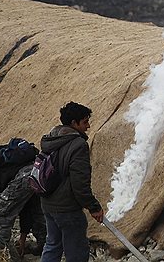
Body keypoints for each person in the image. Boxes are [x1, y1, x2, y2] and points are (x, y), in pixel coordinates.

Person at [39, 102, 103, 262]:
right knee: (76, 252)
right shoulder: (78, 145)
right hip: (67, 208)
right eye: (85, 122)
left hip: (48, 203)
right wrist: (93, 207)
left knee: (52, 245)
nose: (88, 126)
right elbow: (80, 183)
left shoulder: (52, 138)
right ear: (74, 123)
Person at [0, 162, 47, 260]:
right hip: (38, 171)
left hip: (26, 176)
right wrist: (22, 239)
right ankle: (44, 247)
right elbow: (27, 208)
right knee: (37, 210)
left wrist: (22, 239)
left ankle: (8, 257)